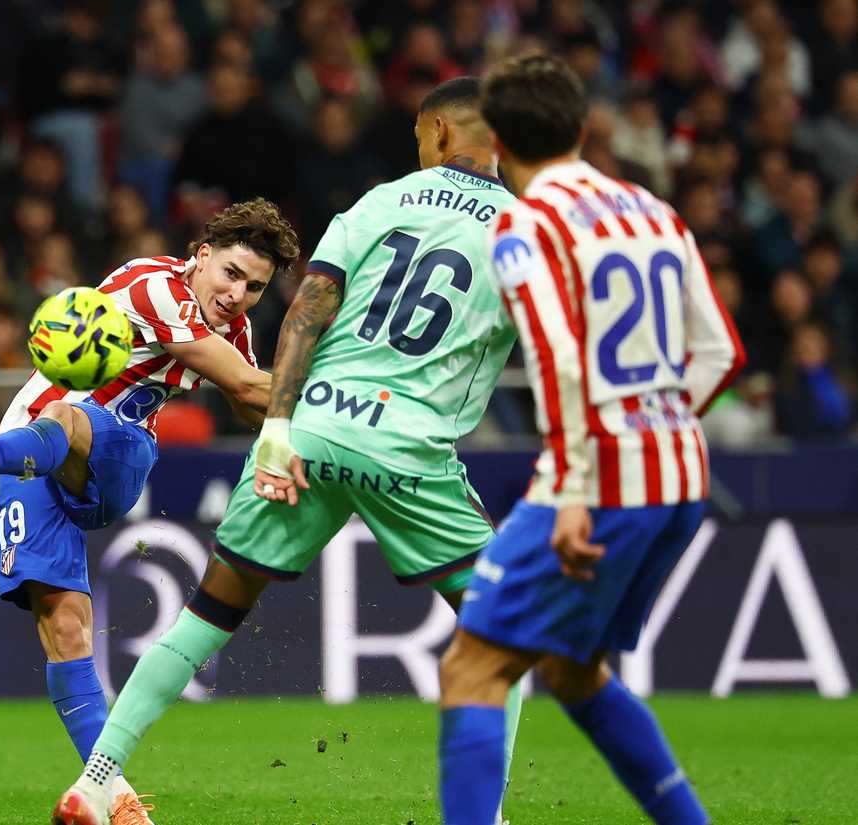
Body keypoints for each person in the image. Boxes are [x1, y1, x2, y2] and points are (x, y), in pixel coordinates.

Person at [52, 77, 529, 824]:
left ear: (438, 132)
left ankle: (98, 776)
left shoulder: (378, 203)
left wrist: (276, 427)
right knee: (507, 630)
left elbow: (308, 306)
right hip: (405, 444)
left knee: (208, 610)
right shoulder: (523, 231)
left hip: (306, 431)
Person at [436, 55, 744, 825]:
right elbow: (720, 354)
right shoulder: (654, 211)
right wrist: (654, 425)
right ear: (581, 128)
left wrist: (575, 491)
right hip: (678, 474)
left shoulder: (523, 225)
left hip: (599, 480)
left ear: (497, 140)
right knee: (574, 672)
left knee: (472, 668)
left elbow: (558, 359)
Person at [0, 198, 292, 825]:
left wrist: (282, 413)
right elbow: (243, 387)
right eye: (232, 274)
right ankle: (114, 798)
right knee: (63, 624)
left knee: (72, 418)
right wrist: (341, 394)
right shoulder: (157, 289)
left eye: (256, 287)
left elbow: (247, 397)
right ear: (201, 256)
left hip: (111, 460)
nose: (239, 294)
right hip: (38, 448)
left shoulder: (230, 329)